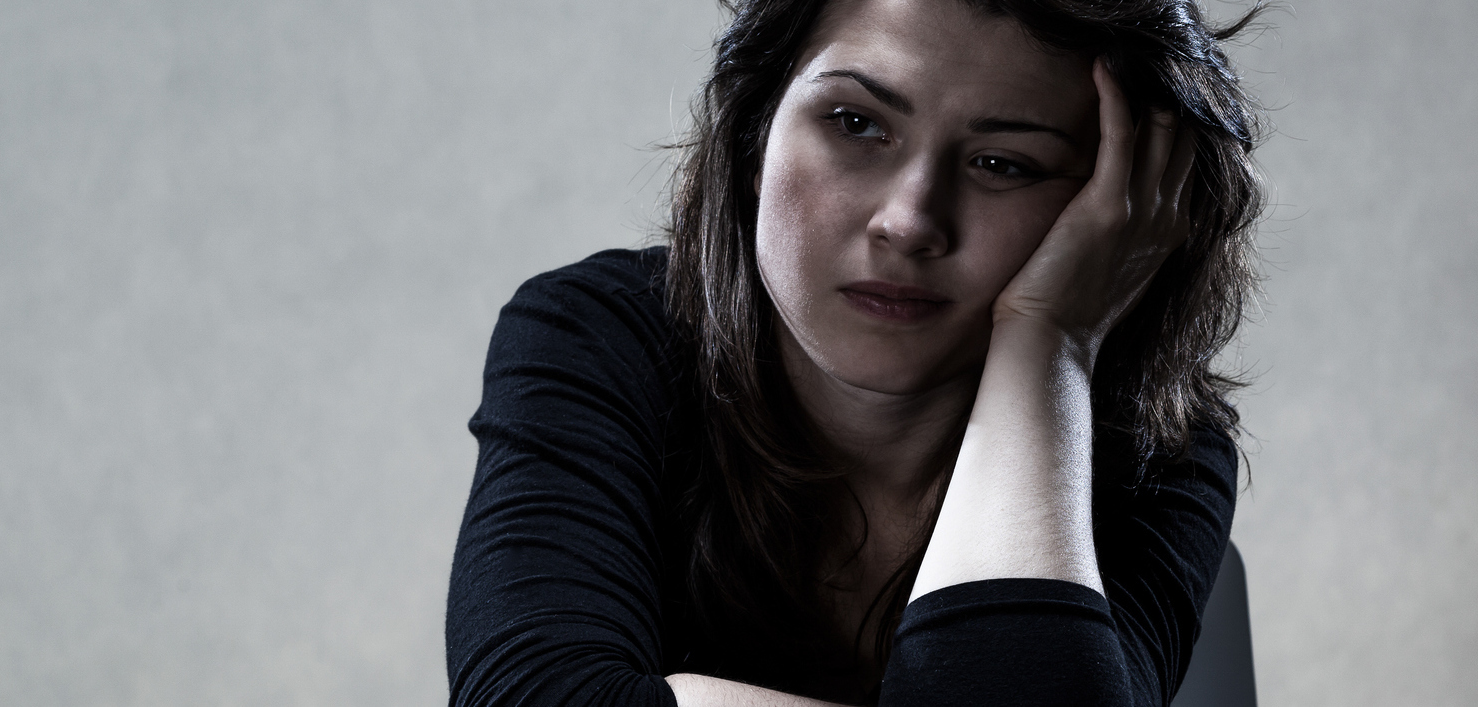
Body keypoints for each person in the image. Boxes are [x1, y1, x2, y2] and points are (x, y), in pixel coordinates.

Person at [446, 0, 1265, 704]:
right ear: (754, 134)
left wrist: (1045, 340)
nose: (909, 221)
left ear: (1122, 213)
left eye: (1001, 164)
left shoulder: (1162, 451)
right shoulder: (604, 333)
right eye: (854, 123)